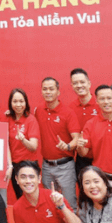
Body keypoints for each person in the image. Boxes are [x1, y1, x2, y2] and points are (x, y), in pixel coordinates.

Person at [33, 77, 80, 208]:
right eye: (45, 89)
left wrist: (68, 145)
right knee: (50, 204)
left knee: (69, 204)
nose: (48, 92)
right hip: (47, 166)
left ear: (58, 92)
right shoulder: (38, 110)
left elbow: (77, 138)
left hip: (65, 166)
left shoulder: (68, 113)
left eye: (51, 89)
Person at [5, 88, 40, 202]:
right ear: (10, 103)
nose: (18, 104)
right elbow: (5, 144)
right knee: (20, 199)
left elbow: (34, 146)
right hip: (14, 166)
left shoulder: (31, 120)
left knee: (31, 198)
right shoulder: (7, 119)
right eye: (15, 101)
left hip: (29, 165)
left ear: (26, 103)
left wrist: (23, 139)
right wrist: (10, 165)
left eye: (21, 101)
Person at [70, 68, 99, 175]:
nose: (79, 85)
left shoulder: (101, 103)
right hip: (82, 158)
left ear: (89, 84)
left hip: (102, 157)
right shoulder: (70, 108)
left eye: (82, 82)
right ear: (72, 86)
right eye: (75, 83)